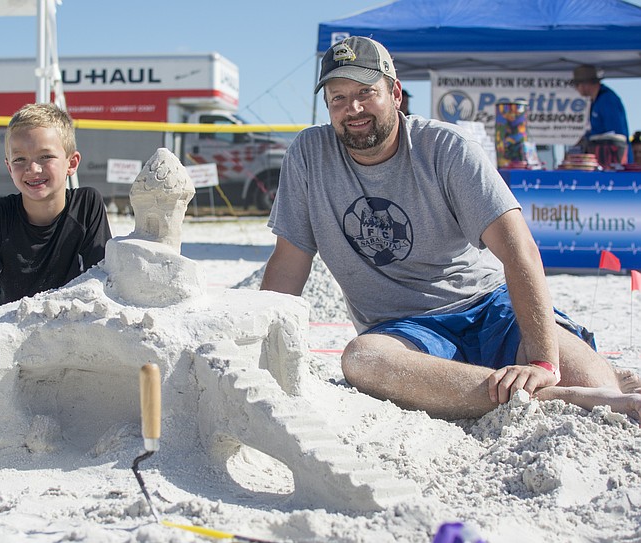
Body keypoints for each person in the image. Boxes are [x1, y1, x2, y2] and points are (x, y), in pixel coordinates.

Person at [261, 36, 641, 422]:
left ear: (395, 94)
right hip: (403, 331)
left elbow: (518, 249)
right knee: (362, 359)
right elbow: (289, 262)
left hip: (490, 307)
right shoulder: (309, 154)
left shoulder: (445, 146)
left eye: (365, 92)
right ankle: (557, 398)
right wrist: (259, 342)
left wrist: (543, 362)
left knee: (596, 382)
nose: (352, 108)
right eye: (338, 98)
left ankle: (564, 384)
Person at [0, 103, 112, 320]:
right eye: (20, 159)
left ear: (71, 163)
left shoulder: (86, 205)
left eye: (45, 156)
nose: (33, 169)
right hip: (3, 332)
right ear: (9, 167)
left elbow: (102, 285)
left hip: (66, 331)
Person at [572, 64, 633, 163]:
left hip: (615, 162)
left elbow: (614, 136)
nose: (577, 89)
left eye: (576, 85)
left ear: (585, 84)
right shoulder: (596, 101)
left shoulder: (607, 100)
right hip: (604, 160)